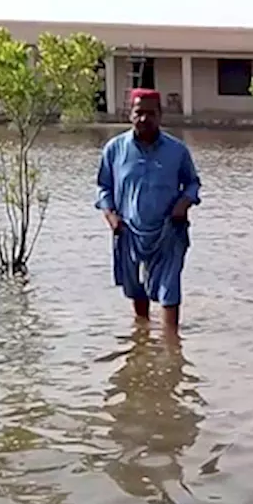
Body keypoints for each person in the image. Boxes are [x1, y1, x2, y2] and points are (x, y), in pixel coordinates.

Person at [96, 89, 201, 337]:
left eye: (150, 113)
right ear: (130, 114)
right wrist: (111, 216)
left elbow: (193, 183)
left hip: (169, 230)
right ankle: (141, 338)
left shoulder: (177, 151)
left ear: (160, 115)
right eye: (139, 112)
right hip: (129, 231)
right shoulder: (114, 150)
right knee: (135, 289)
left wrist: (183, 204)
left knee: (169, 289)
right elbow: (103, 187)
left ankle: (171, 345)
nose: (144, 118)